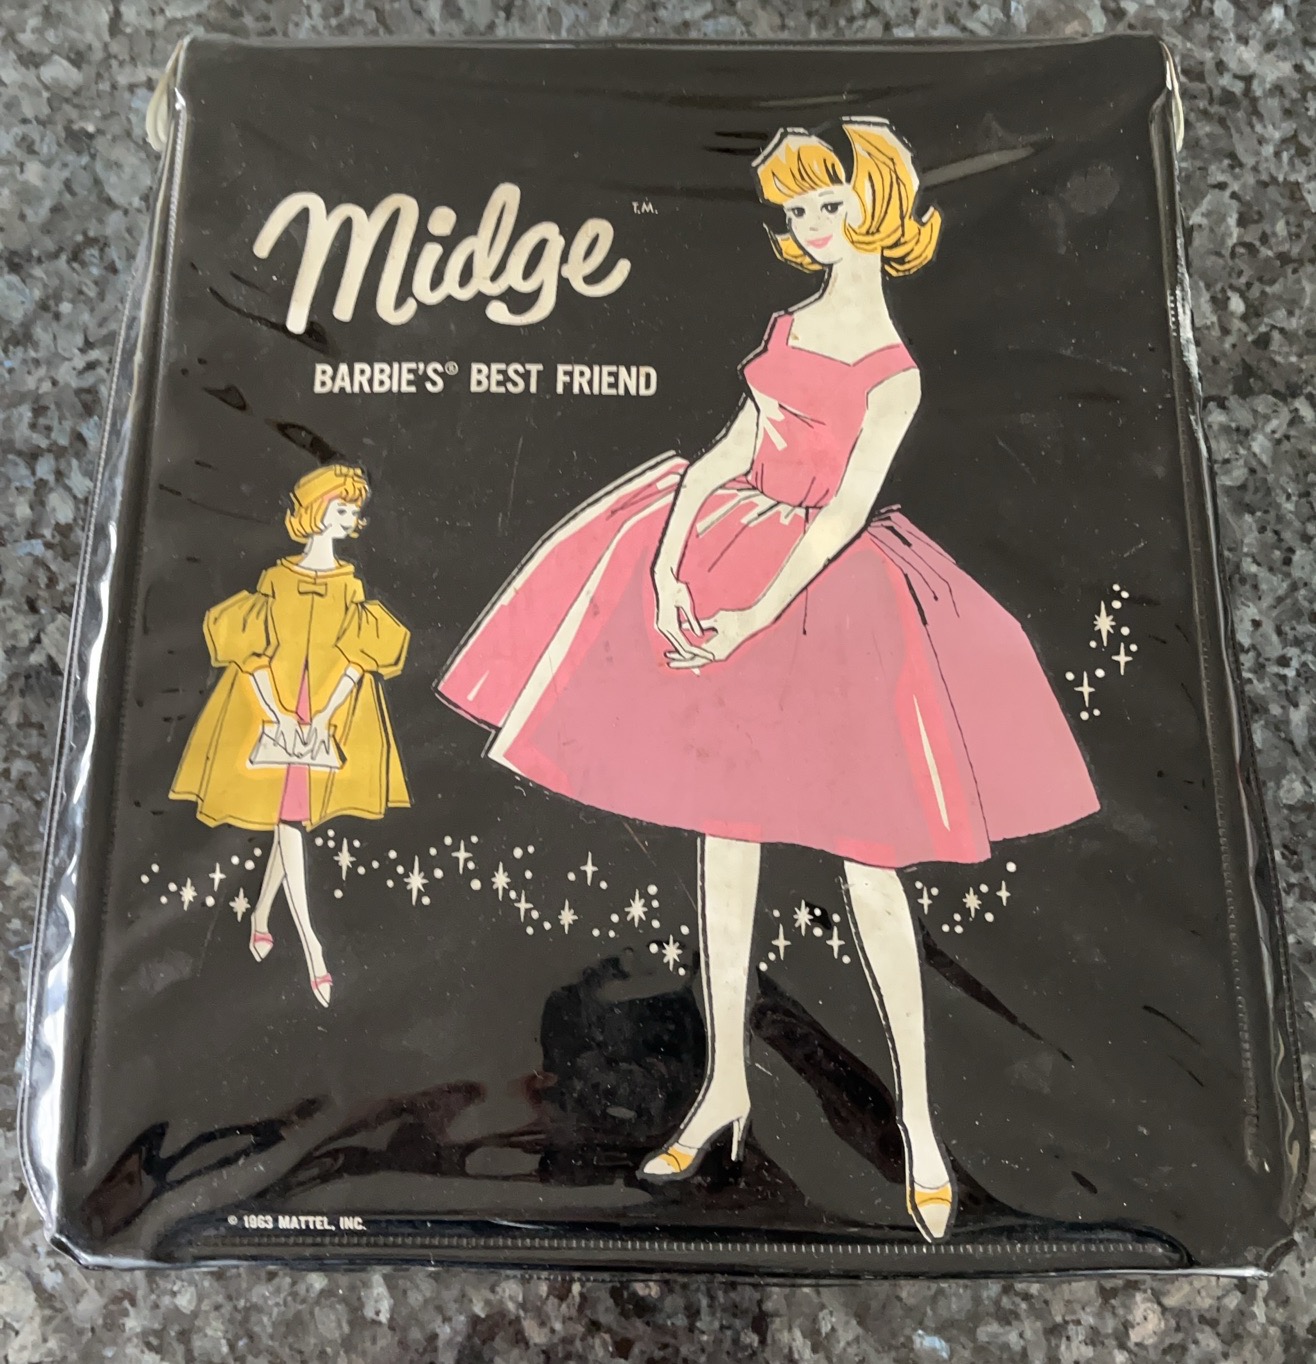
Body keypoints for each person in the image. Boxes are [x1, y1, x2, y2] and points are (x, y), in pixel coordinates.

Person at [436, 119, 1098, 1240]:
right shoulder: (789, 325)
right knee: (724, 836)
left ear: (875, 203)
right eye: (794, 209)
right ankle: (724, 1090)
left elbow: (841, 514)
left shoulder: (893, 371)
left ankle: (920, 1125)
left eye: (826, 203)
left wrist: (753, 612)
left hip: (831, 599)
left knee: (871, 860)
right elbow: (725, 455)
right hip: (728, 552)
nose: (808, 225)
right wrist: (665, 565)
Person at [171, 464, 410, 1007]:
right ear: (315, 511)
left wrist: (325, 714)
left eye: (353, 511)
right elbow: (250, 652)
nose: (351, 519)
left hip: (324, 716)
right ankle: (314, 949)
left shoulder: (350, 585)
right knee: (291, 821)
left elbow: (359, 656)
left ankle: (261, 915)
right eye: (342, 509)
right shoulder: (275, 581)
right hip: (272, 713)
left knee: (291, 819)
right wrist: (274, 711)